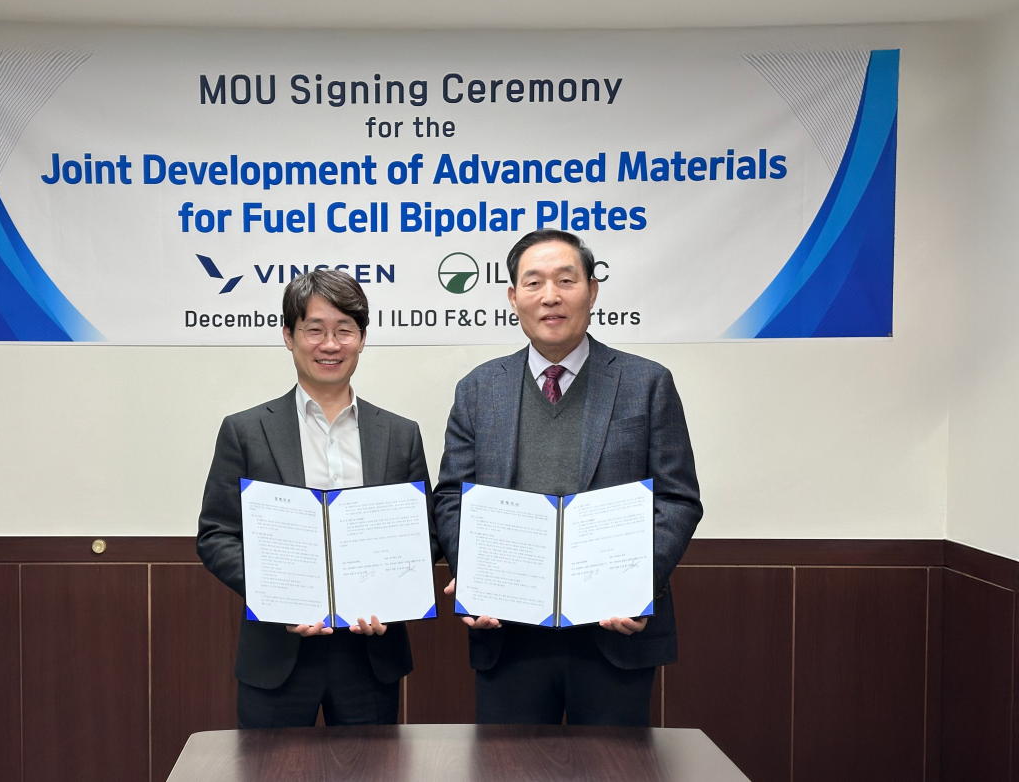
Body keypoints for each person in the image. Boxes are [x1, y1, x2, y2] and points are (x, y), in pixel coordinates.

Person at [433, 229, 703, 725]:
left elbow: (677, 498)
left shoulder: (647, 383)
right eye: (533, 282)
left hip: (613, 632)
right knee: (506, 764)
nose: (550, 296)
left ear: (592, 290)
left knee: (615, 764)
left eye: (566, 280)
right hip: (508, 632)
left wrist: (637, 583)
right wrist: (473, 574)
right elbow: (452, 496)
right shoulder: (478, 389)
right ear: (513, 297)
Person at [197, 269, 433, 728]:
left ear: (362, 339)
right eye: (315, 330)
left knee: (373, 767)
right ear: (289, 336)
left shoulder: (400, 434)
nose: (330, 345)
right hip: (277, 653)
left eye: (344, 330)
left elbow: (424, 533)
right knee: (269, 766)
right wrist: (278, 595)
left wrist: (392, 595)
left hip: (370, 653)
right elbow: (216, 536)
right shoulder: (246, 431)